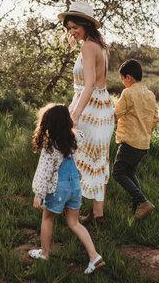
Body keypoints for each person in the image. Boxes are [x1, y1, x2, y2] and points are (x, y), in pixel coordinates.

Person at [29, 103, 105, 274]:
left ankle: (44, 253)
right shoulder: (74, 139)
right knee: (74, 223)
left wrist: (38, 195)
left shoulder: (50, 148)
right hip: (75, 187)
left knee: (48, 219)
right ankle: (94, 255)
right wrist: (73, 124)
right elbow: (80, 133)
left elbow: (44, 172)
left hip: (59, 189)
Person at [58, 1, 114, 224]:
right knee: (98, 157)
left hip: (90, 107)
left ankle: (67, 207)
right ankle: (98, 214)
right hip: (102, 106)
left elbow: (90, 84)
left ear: (86, 25)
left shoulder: (88, 47)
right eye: (69, 28)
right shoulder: (99, 46)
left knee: (73, 155)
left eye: (75, 27)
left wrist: (76, 114)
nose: (71, 32)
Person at [112, 59, 159, 219]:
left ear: (129, 78)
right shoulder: (150, 94)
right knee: (130, 173)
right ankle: (137, 208)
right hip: (144, 143)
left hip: (130, 142)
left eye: (122, 79)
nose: (123, 83)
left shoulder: (129, 92)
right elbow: (155, 119)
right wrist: (144, 129)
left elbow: (116, 114)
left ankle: (143, 201)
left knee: (118, 173)